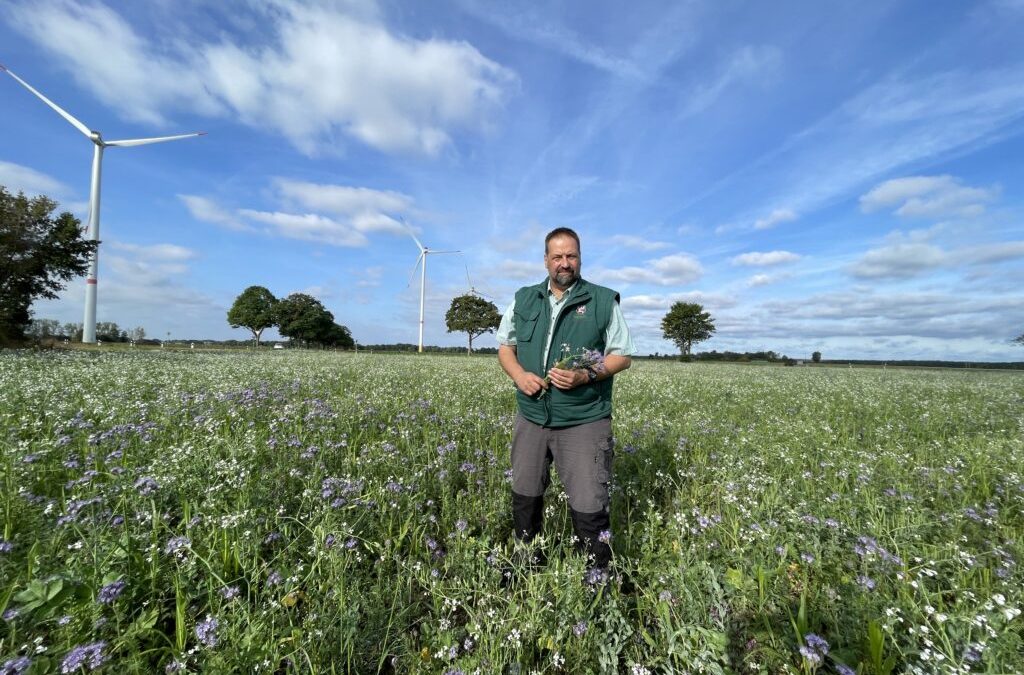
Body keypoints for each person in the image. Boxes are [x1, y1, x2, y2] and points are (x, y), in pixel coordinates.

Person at [496, 227, 635, 575]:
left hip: (584, 418)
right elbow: (505, 347)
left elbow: (622, 356)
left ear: (580, 258)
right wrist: (518, 376)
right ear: (545, 260)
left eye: (571, 255)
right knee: (525, 494)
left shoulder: (602, 300)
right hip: (532, 416)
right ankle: (528, 567)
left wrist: (585, 375)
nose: (564, 263)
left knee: (590, 502)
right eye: (557, 256)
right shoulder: (524, 298)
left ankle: (597, 577)